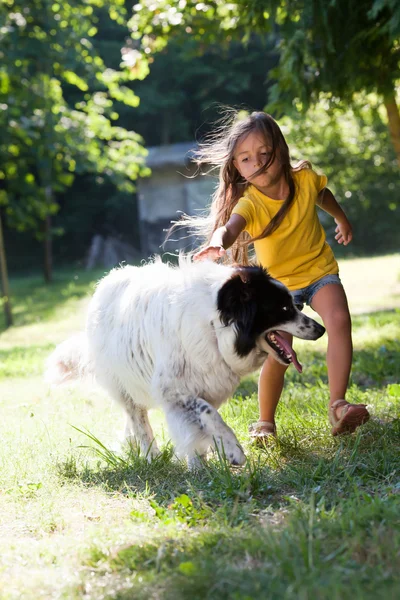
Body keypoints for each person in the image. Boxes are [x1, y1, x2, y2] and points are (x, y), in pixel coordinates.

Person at [190, 109, 369, 443]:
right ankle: (265, 422)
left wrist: (341, 219)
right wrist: (217, 243)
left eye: (264, 154)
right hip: (278, 288)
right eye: (245, 159)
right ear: (237, 167)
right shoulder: (251, 204)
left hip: (319, 271)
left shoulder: (303, 178)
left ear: (280, 151)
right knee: (279, 353)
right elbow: (231, 228)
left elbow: (322, 195)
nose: (257, 164)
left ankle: (338, 405)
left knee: (340, 320)